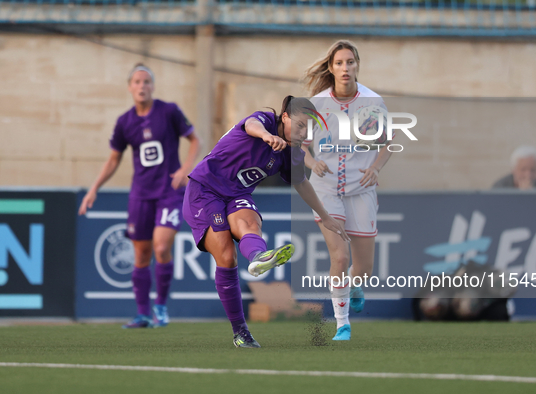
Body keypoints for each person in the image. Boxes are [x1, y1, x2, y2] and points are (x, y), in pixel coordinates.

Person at [182, 95, 348, 348]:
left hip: (237, 194)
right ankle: (241, 332)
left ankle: (260, 257)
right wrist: (266, 136)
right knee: (227, 257)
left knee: (250, 224)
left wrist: (325, 217)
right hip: (204, 190)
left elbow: (301, 183)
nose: (305, 132)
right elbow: (251, 126)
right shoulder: (264, 121)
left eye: (309, 128)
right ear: (284, 117)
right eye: (301, 125)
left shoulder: (292, 152)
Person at [79, 64, 201, 328]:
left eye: (146, 81)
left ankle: (161, 307)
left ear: (152, 86)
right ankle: (143, 313)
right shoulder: (125, 122)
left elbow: (194, 140)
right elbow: (113, 159)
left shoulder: (169, 111)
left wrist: (184, 169)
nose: (142, 86)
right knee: (142, 253)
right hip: (140, 195)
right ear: (129, 87)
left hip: (169, 191)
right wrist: (93, 188)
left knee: (161, 246)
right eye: (137, 82)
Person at [302, 40, 396, 341]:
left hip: (360, 189)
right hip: (326, 189)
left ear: (357, 66)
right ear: (332, 68)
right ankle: (342, 323)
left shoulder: (372, 102)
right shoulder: (316, 104)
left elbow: (388, 143)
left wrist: (375, 168)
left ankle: (356, 285)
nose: (345, 68)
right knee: (340, 258)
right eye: (340, 63)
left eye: (350, 62)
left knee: (364, 266)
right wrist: (311, 161)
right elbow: (300, 147)